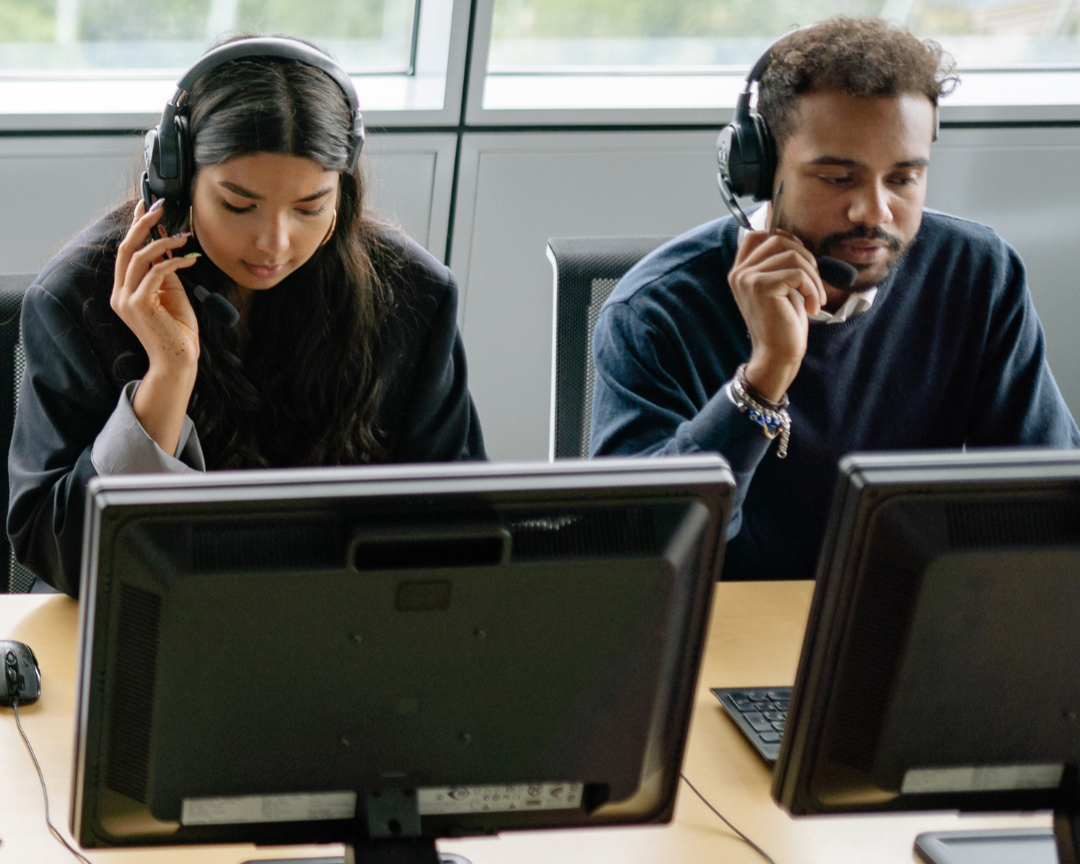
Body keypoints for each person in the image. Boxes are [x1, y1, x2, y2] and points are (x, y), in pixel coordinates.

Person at [589, 17, 1080, 582]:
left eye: (902, 179)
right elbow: (635, 554)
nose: (873, 211)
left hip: (905, 634)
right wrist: (764, 377)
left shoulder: (976, 275)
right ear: (762, 171)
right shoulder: (654, 312)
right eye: (837, 178)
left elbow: (1046, 502)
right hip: (725, 636)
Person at [8, 37, 486, 597]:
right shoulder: (78, 298)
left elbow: (461, 525)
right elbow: (63, 557)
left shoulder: (414, 296)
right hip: (144, 617)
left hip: (334, 627)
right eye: (238, 205)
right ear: (177, 180)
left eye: (310, 208)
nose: (274, 243)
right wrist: (167, 378)